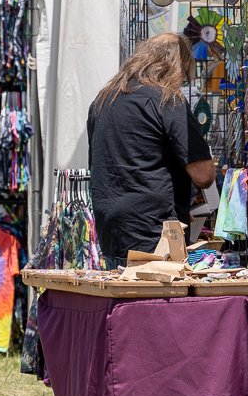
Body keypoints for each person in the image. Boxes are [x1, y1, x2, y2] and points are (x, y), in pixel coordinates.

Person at [87, 33, 216, 267]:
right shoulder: (167, 99)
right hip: (155, 233)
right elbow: (203, 175)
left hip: (111, 231)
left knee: (123, 301)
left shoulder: (102, 100)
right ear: (177, 66)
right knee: (155, 302)